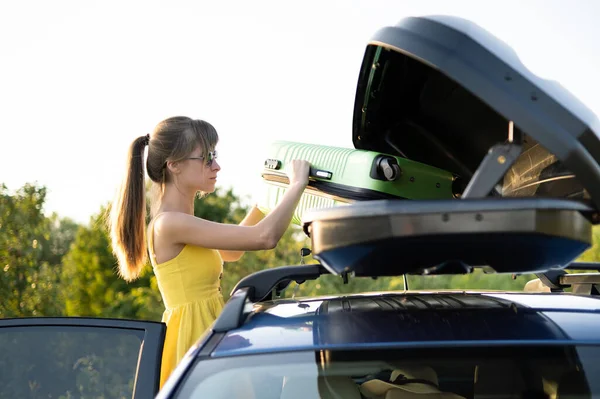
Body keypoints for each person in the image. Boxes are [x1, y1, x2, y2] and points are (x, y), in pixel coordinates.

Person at [107, 116, 310, 388]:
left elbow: (231, 251)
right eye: (205, 158)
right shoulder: (170, 224)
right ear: (174, 165)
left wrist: (266, 200)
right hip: (195, 342)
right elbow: (265, 237)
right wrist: (297, 184)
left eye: (214, 155)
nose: (216, 166)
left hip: (211, 338)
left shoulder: (181, 222)